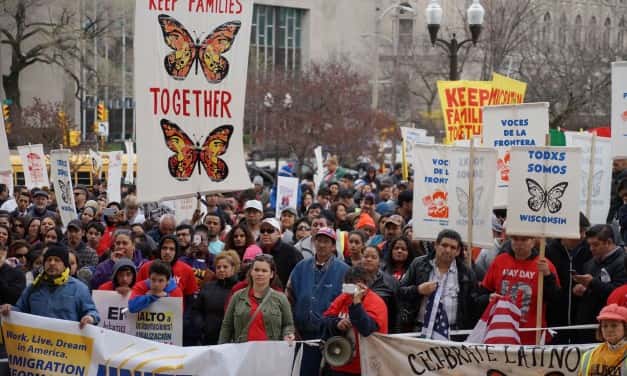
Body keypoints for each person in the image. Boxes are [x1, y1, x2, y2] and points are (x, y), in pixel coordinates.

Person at [287, 227, 349, 376]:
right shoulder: (301, 267)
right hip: (303, 334)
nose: (321, 245)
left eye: (326, 242)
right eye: (319, 240)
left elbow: (348, 302)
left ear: (333, 246)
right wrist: (291, 325)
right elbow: (289, 295)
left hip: (331, 336)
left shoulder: (344, 270)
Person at [479, 233, 560, 344]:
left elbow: (556, 299)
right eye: (515, 239)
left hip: (531, 335)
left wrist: (547, 276)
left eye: (524, 239)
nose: (519, 243)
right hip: (501, 332)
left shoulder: (545, 265)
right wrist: (489, 298)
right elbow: (482, 293)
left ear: (533, 241)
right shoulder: (499, 261)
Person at [0, 243, 100, 328]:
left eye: (57, 260)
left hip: (67, 345)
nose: (52, 263)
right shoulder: (34, 287)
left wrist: (90, 317)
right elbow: (20, 309)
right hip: (37, 344)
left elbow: (92, 312)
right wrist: (10, 309)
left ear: (65, 265)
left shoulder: (79, 288)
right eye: (49, 260)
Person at [400, 229, 479, 334]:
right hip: (420, 330)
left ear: (458, 251)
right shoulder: (418, 264)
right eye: (444, 245)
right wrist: (418, 290)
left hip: (453, 333)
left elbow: (473, 306)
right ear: (436, 245)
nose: (447, 250)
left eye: (453, 247)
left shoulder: (467, 273)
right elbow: (400, 292)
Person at [322, 266, 388, 376]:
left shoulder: (376, 302)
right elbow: (325, 320)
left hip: (365, 367)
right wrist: (337, 323)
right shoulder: (343, 298)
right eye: (349, 283)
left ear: (364, 283)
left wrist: (356, 303)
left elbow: (366, 329)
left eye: (355, 283)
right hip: (339, 362)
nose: (352, 287)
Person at [218, 254, 295, 343]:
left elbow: (288, 324)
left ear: (271, 274)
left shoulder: (281, 298)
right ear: (251, 272)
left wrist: (288, 334)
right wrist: (221, 348)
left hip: (270, 352)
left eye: (264, 271)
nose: (260, 273)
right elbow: (227, 326)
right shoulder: (237, 296)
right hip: (243, 352)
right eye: (256, 270)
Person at [574, 224, 627, 343]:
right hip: (586, 325)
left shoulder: (622, 262)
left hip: (609, 328)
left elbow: (619, 293)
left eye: (595, 245)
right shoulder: (590, 263)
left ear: (608, 242)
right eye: (590, 245)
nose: (591, 248)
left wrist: (592, 283)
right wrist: (582, 288)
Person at [546, 212, 592, 344]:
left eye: (584, 231)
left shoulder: (588, 250)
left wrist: (585, 286)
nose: (582, 236)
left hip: (581, 319)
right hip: (555, 318)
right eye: (579, 231)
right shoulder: (549, 251)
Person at [192, 250, 240, 345]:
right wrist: (201, 326)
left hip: (232, 341)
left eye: (225, 267)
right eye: (218, 267)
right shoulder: (207, 287)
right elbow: (196, 310)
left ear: (233, 268)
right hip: (208, 340)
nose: (221, 270)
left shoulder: (240, 289)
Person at [136, 235, 198, 300]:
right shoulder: (146, 267)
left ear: (176, 251)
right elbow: (137, 292)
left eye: (172, 249)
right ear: (159, 249)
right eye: (164, 248)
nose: (167, 252)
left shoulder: (187, 270)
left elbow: (190, 299)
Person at [578, 304, 627, 375]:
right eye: (605, 326)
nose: (609, 330)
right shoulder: (589, 355)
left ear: (625, 328)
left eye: (614, 325)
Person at [361, 245, 400, 333]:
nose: (369, 259)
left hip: (382, 333)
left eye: (373, 257)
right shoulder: (352, 279)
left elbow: (397, 314)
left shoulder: (391, 283)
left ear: (380, 262)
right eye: (366, 256)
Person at [258, 218, 303, 287]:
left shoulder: (291, 252)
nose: (265, 233)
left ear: (279, 233)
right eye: (262, 231)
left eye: (270, 230)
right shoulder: (257, 251)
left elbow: (300, 276)